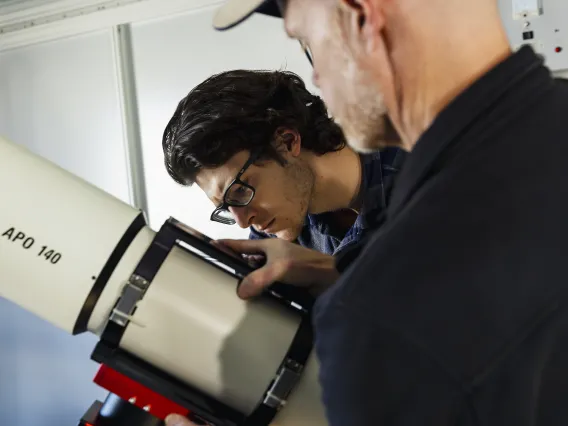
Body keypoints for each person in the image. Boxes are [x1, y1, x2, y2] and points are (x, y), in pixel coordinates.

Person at [167, 1, 568, 426]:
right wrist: (336, 270)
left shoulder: (367, 314)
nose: (317, 77)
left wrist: (350, 287)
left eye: (309, 43)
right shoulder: (537, 137)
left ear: (362, 15)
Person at [162, 69, 404, 256]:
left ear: (287, 142)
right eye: (227, 208)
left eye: (239, 191)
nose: (242, 221)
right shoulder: (277, 228)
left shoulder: (421, 173)